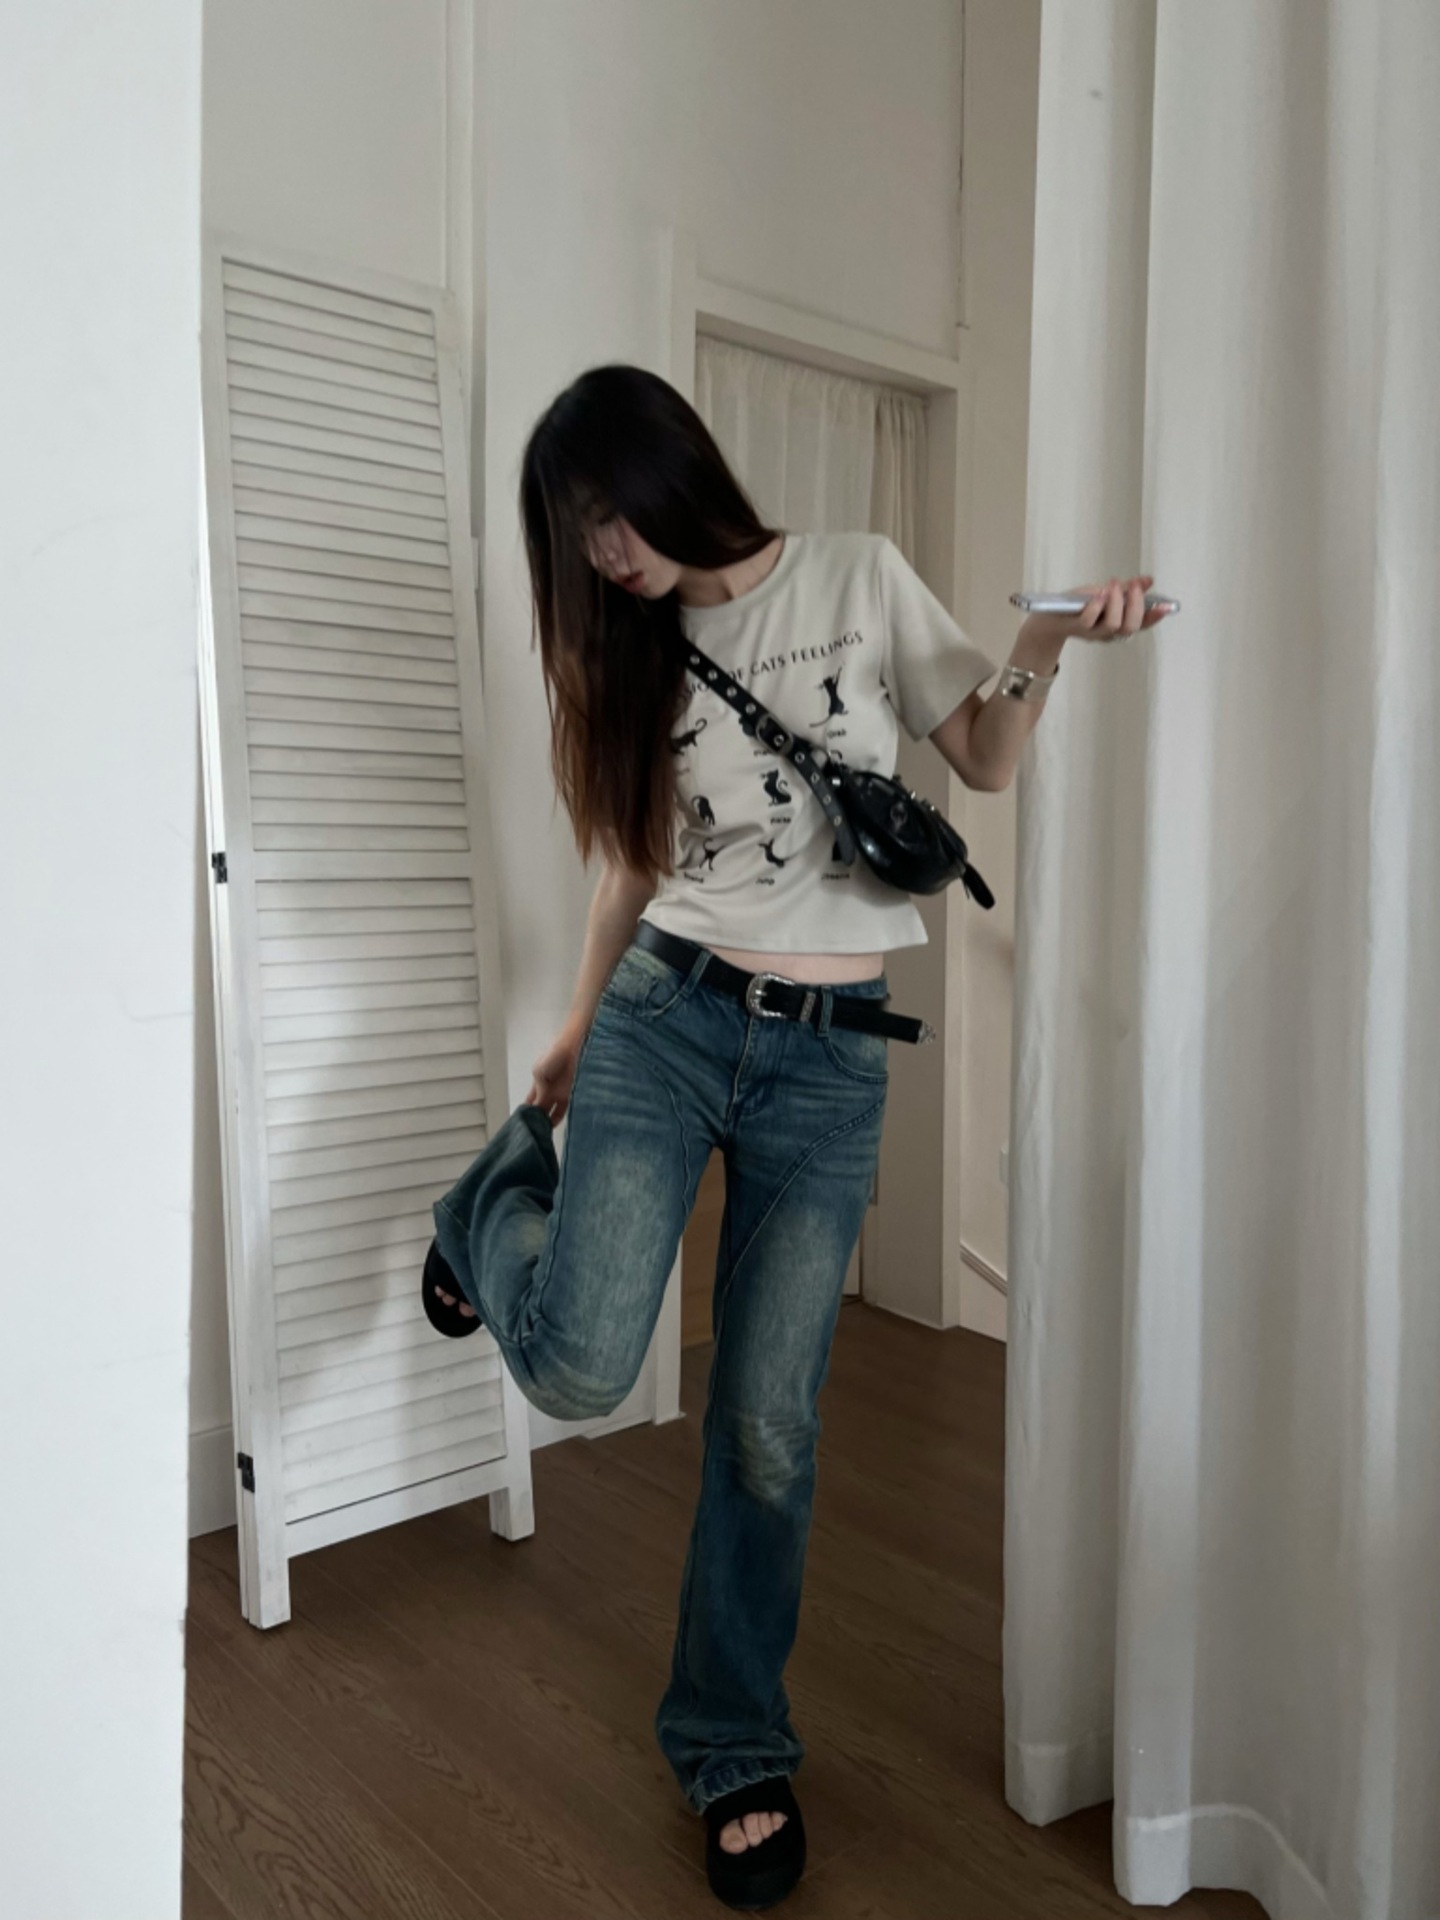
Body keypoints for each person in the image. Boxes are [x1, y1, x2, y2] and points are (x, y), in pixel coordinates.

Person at [420, 362, 1165, 1909]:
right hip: (669, 1020)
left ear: (667, 467)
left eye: (607, 514)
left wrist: (1042, 644)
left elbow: (986, 761)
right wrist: (576, 1028)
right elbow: (635, 866)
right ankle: (482, 1210)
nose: (603, 554)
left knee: (768, 1427)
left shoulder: (856, 577)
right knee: (579, 1366)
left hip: (829, 1066)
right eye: (575, 537)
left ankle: (730, 1743)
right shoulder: (632, 652)